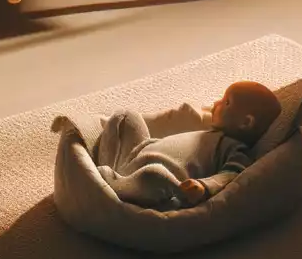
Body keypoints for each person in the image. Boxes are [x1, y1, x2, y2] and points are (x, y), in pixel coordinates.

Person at [95, 80, 282, 209]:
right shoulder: (209, 131)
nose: (216, 102)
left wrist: (204, 186)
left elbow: (231, 175)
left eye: (226, 102)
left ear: (245, 123)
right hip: (136, 155)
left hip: (159, 180)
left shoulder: (234, 148)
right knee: (125, 116)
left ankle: (113, 184)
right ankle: (111, 172)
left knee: (154, 176)